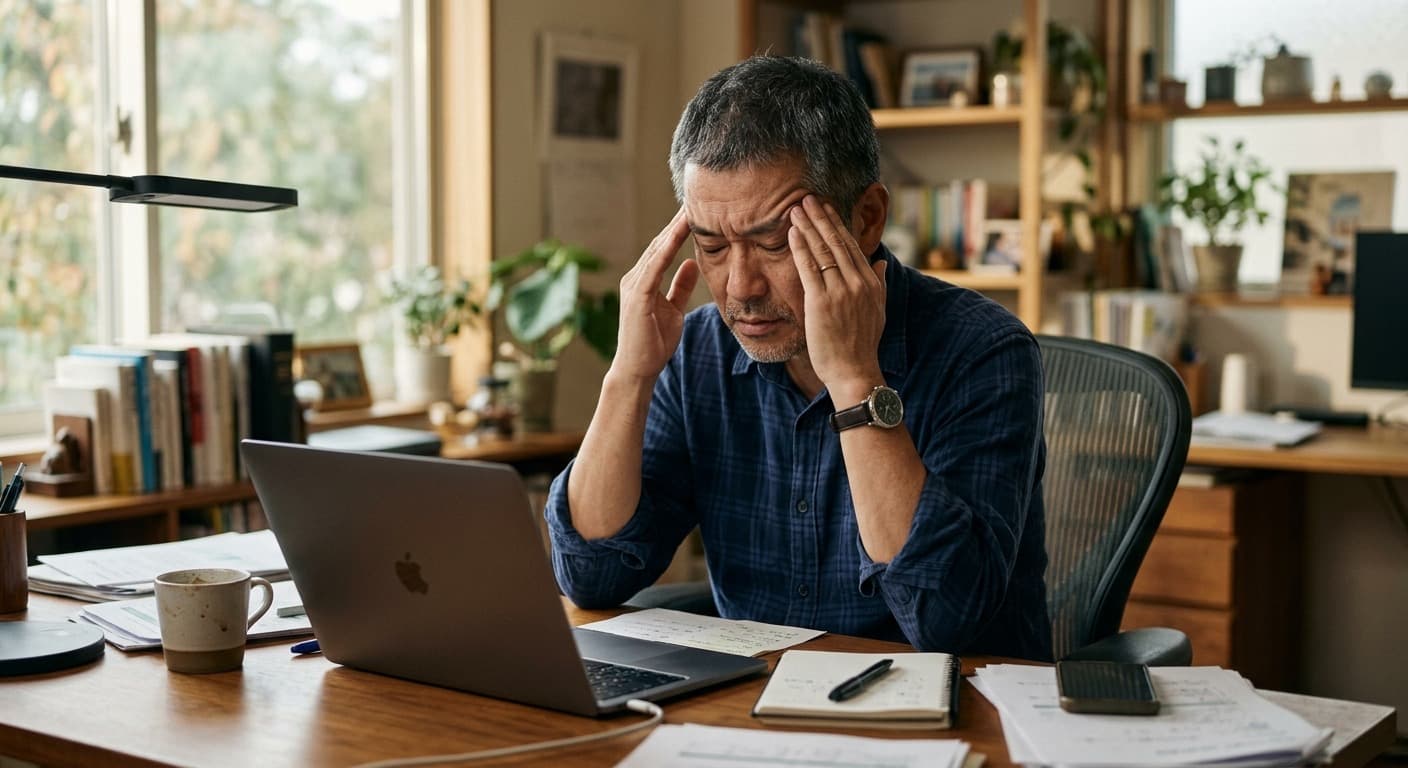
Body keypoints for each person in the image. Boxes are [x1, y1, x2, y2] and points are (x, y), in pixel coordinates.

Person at [544, 56, 1051, 661]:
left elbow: (944, 618)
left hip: (949, 719)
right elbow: (591, 575)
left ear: (865, 220)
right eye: (710, 244)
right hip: (750, 714)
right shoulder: (697, 350)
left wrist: (855, 378)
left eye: (774, 242)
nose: (740, 287)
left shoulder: (984, 350)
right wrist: (628, 376)